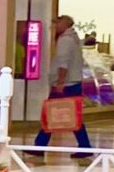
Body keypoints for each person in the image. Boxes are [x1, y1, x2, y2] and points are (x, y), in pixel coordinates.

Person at [35, 14, 93, 149]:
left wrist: (60, 81)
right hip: (73, 83)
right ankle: (84, 146)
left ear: (65, 25)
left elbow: (63, 62)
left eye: (57, 24)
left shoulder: (65, 40)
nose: (54, 27)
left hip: (66, 84)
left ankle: (40, 146)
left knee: (51, 114)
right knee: (72, 115)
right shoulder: (73, 39)